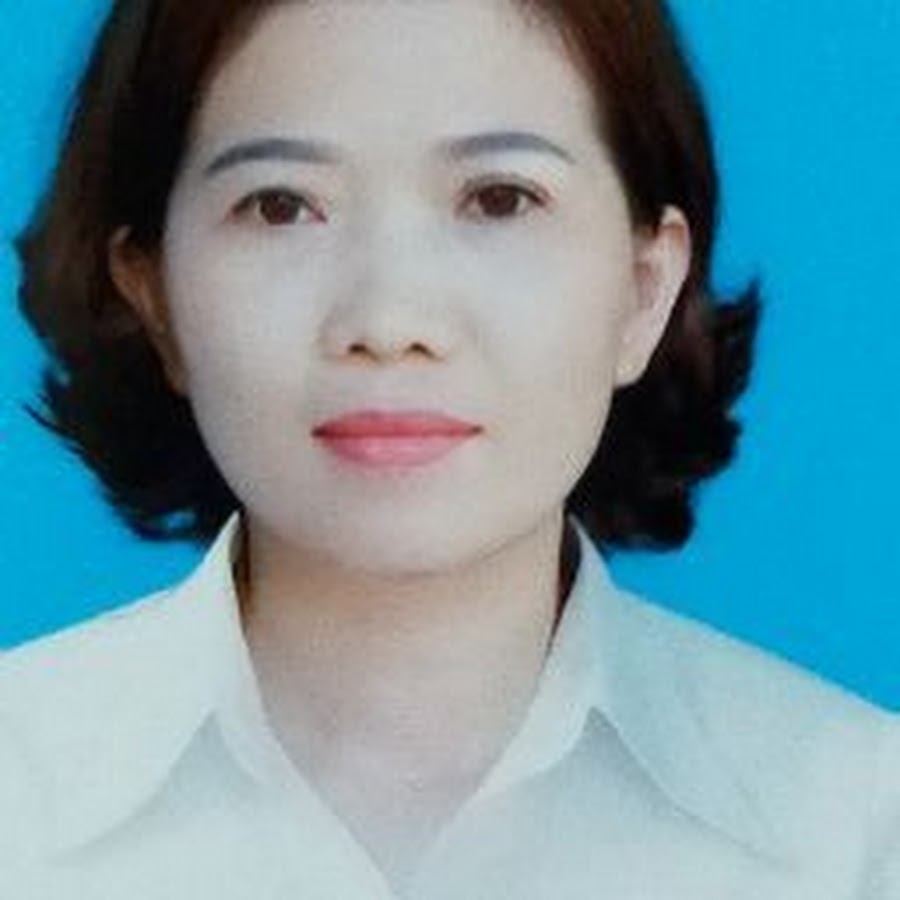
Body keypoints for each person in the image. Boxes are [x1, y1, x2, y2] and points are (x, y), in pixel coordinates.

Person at [2, 0, 898, 896]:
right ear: (153, 296)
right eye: (281, 206)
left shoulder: (854, 829)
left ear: (643, 288)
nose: (391, 322)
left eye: (500, 199)